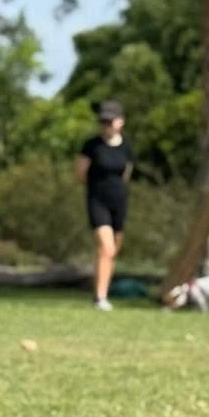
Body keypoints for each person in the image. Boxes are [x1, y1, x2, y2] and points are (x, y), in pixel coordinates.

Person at [76, 99, 135, 311]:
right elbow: (81, 173)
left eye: (110, 121)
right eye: (103, 121)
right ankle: (99, 298)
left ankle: (103, 292)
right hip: (97, 200)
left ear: (120, 122)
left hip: (119, 201)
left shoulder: (126, 147)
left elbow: (126, 173)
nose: (106, 125)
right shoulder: (91, 146)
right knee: (106, 248)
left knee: (113, 251)